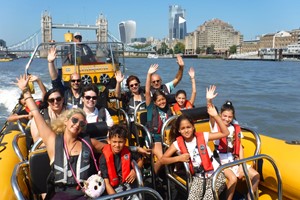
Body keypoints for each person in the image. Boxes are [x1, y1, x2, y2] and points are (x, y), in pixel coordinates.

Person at [15, 74, 106, 199]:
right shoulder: (53, 141)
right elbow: (36, 113)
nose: (77, 124)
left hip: (85, 194)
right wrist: (25, 91)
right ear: (65, 121)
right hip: (61, 194)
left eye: (82, 123)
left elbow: (110, 149)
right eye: (74, 120)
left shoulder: (89, 143)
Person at [160, 105, 229, 200]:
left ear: (193, 127)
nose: (186, 130)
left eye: (188, 127)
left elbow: (225, 133)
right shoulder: (177, 144)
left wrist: (216, 116)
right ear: (179, 130)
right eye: (183, 128)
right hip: (198, 177)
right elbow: (163, 160)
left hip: (216, 174)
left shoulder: (203, 136)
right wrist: (179, 158)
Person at [207, 85, 260, 200]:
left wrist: (241, 165)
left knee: (256, 176)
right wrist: (209, 100)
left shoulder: (234, 128)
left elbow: (239, 146)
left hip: (234, 159)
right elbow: (211, 112)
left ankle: (248, 198)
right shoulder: (215, 125)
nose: (226, 119)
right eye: (224, 116)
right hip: (220, 161)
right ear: (220, 115)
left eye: (229, 117)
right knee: (233, 179)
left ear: (233, 117)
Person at [99, 125, 143, 199]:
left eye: (120, 142)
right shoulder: (103, 158)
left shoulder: (127, 151)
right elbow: (106, 184)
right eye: (114, 142)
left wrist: (135, 170)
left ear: (125, 141)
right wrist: (116, 198)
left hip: (129, 187)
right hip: (112, 190)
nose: (117, 145)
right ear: (109, 140)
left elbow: (140, 161)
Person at [146, 64, 173, 174]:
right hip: (155, 138)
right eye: (159, 101)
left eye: (163, 100)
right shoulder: (150, 108)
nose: (162, 102)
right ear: (155, 102)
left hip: (168, 136)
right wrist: (149, 74)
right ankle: (154, 175)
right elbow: (147, 91)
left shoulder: (168, 109)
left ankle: (174, 173)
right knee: (162, 158)